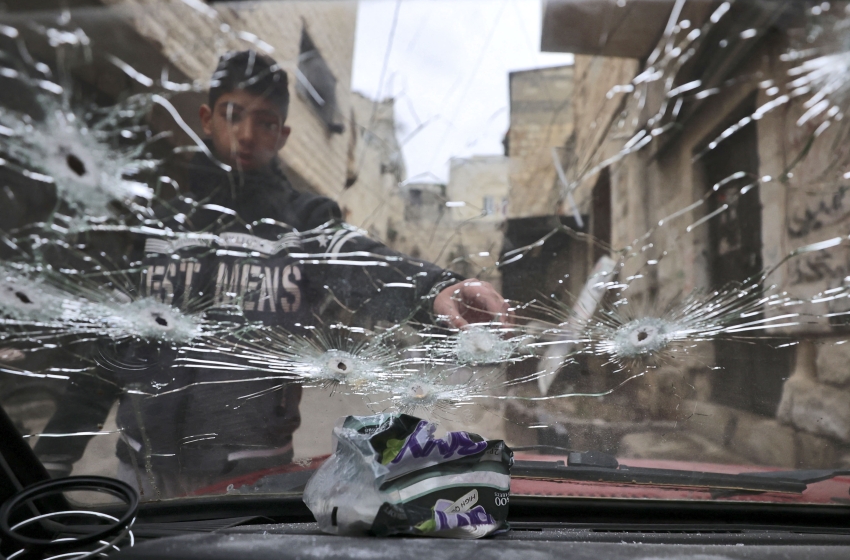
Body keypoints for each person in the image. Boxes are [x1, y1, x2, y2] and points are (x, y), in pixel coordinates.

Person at [34, 51, 508, 496]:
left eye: (264, 122)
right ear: (207, 118)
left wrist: (434, 289)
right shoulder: (159, 217)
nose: (246, 135)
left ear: (281, 135)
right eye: (233, 115)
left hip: (250, 477)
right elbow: (109, 345)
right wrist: (50, 461)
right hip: (138, 472)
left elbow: (356, 258)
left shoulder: (303, 220)